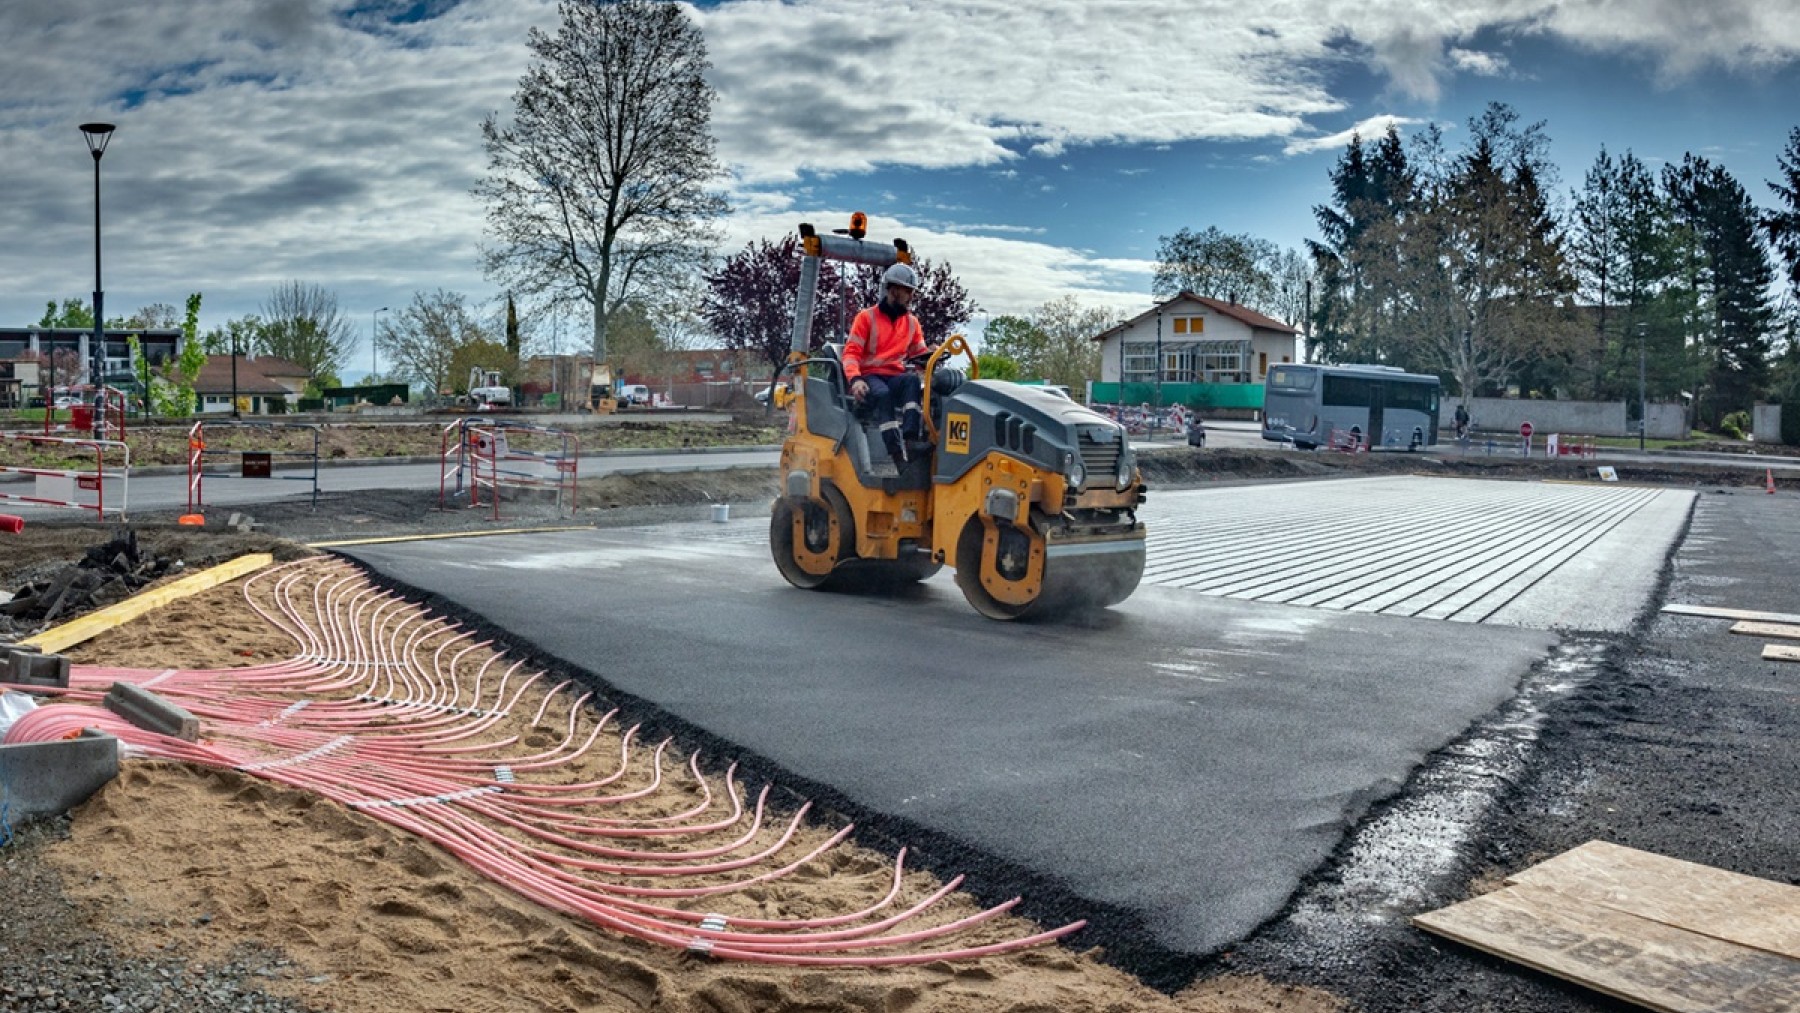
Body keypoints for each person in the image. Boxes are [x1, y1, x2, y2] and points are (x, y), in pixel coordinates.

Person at [846, 262, 928, 467]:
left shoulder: (912, 323)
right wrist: (855, 379)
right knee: (883, 395)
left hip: (894, 376)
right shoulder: (866, 318)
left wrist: (931, 356)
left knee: (911, 381)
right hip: (870, 376)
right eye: (907, 291)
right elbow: (851, 353)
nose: (911, 297)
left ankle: (911, 441)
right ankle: (897, 454)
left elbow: (919, 354)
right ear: (892, 290)